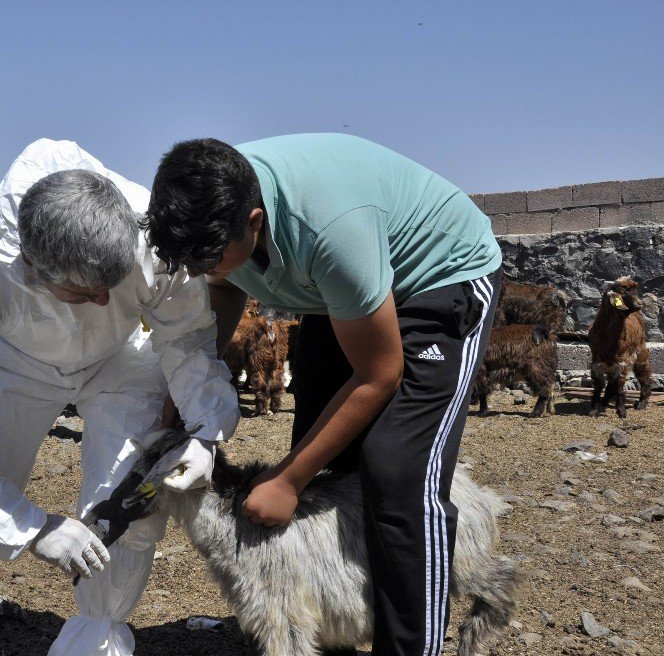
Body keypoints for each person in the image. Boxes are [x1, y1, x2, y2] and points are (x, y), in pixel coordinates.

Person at [0, 139, 239, 656]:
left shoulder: (151, 236)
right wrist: (31, 528)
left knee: (125, 513)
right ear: (30, 267)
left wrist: (206, 429)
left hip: (122, 359)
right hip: (16, 362)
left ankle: (97, 638)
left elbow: (186, 338)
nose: (105, 300)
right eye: (87, 293)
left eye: (113, 284)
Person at [144, 133, 502, 656]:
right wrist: (195, 375)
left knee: (396, 470)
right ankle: (338, 615)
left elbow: (379, 374)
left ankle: (408, 643)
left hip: (436, 281)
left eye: (209, 256)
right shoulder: (212, 205)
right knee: (322, 448)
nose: (199, 270)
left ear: (254, 222)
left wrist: (288, 480)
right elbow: (224, 285)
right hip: (338, 292)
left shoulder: (331, 230)